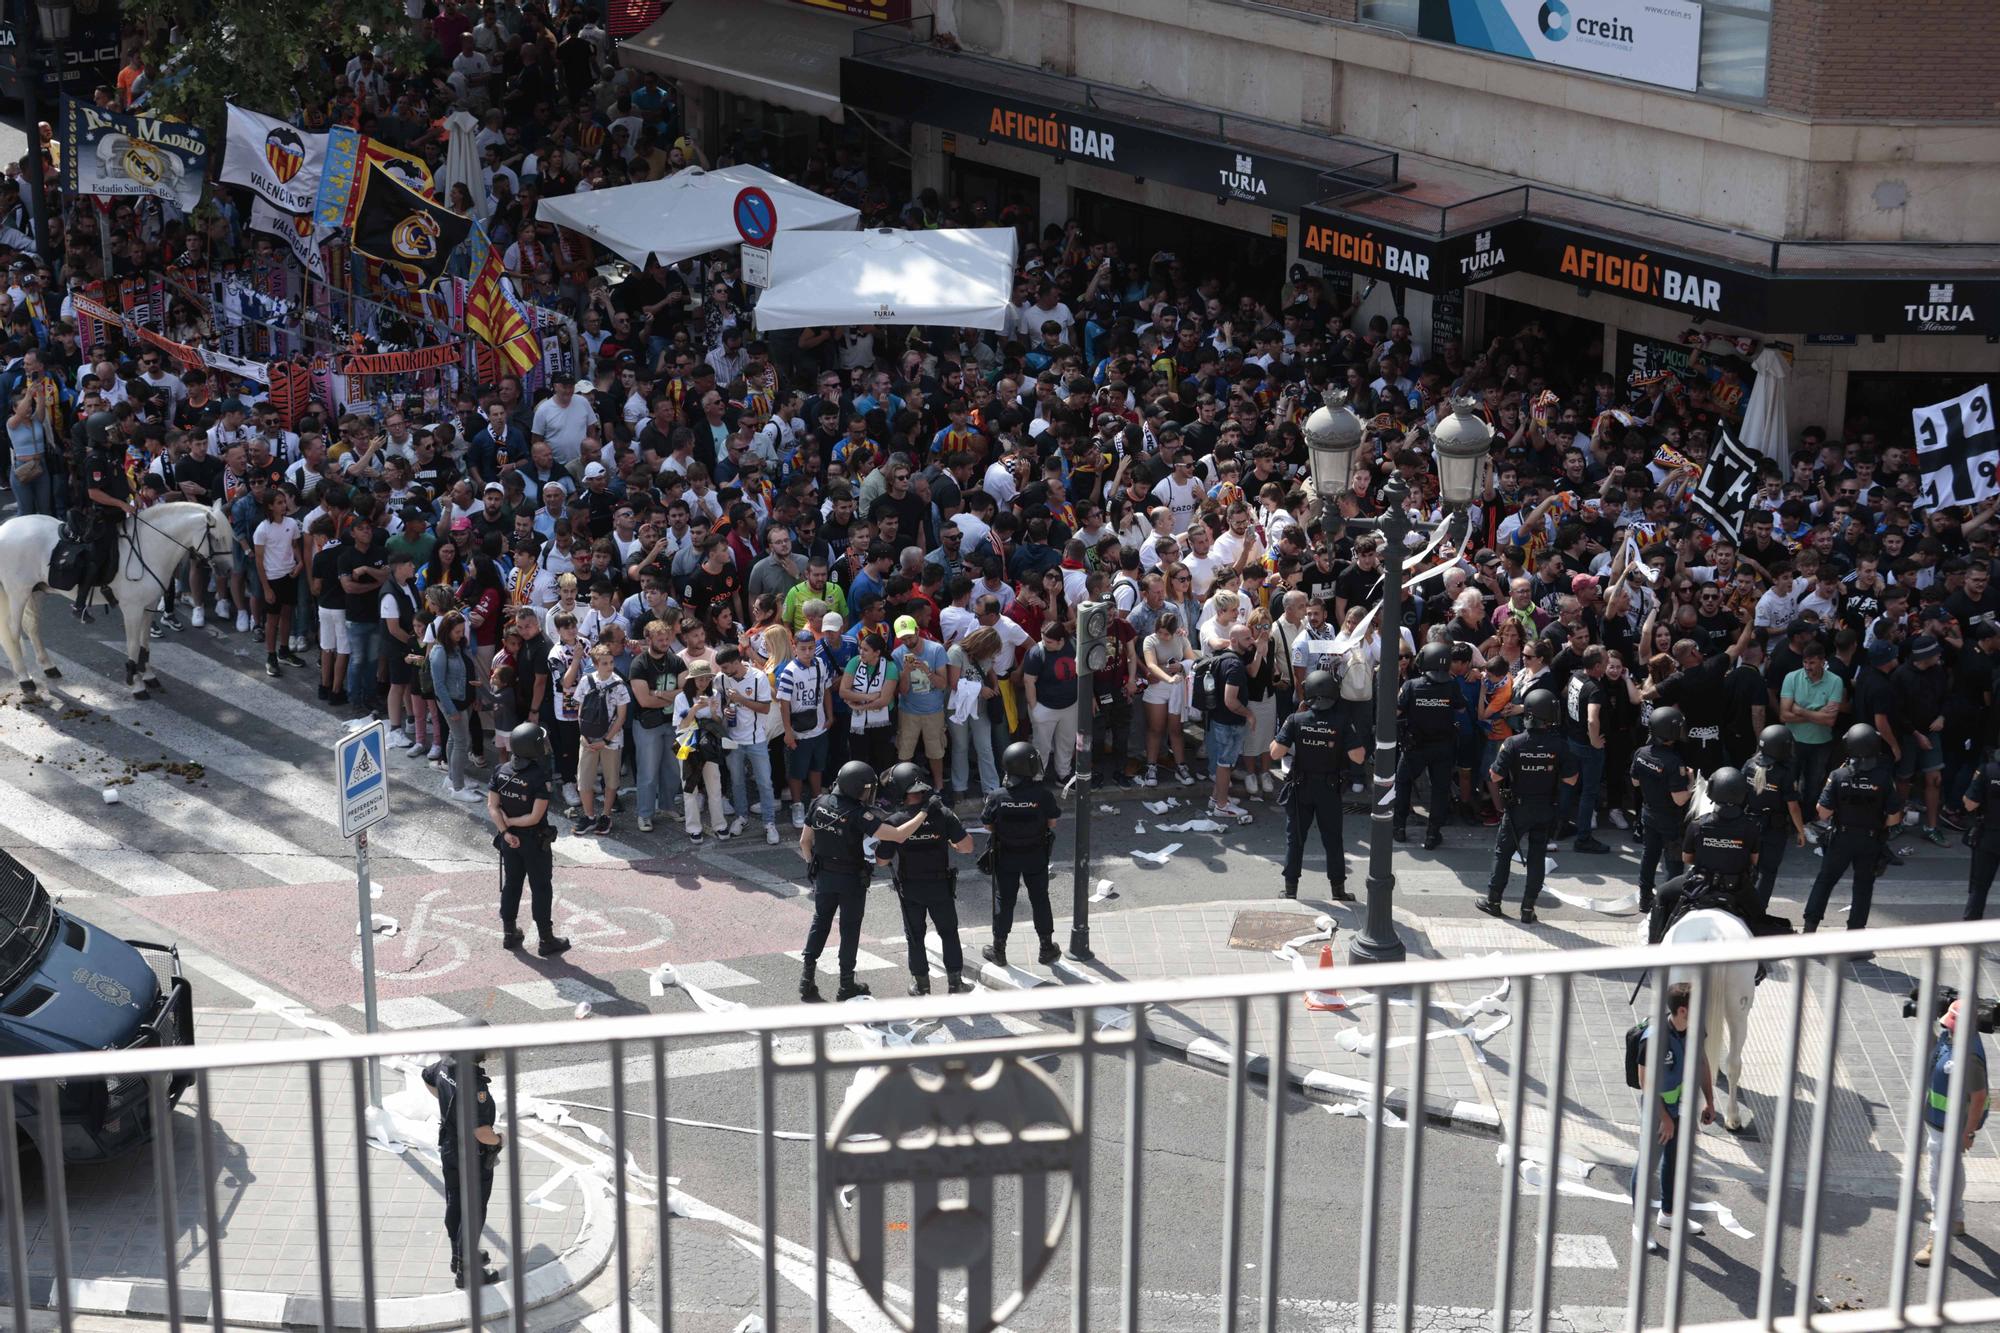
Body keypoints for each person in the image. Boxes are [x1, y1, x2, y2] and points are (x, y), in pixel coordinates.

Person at [797, 760, 929, 1002]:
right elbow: (898, 835)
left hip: (824, 877)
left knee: (820, 923)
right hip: (851, 881)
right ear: (858, 788)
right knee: (849, 930)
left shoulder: (818, 802)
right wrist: (924, 812)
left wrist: (813, 867)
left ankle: (807, 979)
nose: (869, 793)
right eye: (868, 788)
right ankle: (846, 984)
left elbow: (805, 842)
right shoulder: (859, 814)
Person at [875, 761, 974, 995]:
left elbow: (881, 861)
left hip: (911, 888)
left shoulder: (895, 821)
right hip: (940, 886)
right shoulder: (943, 814)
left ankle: (921, 985)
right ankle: (955, 982)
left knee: (915, 936)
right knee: (949, 932)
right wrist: (949, 842)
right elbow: (968, 847)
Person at [1480, 688, 1577, 921]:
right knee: (1537, 857)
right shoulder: (1560, 746)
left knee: (1503, 854)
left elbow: (1494, 776)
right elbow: (1571, 779)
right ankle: (1528, 908)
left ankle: (1493, 901)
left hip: (1517, 809)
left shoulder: (1513, 743)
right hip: (1545, 808)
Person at [1804, 723, 1901, 949]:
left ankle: (1809, 931)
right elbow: (1894, 818)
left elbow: (1823, 812)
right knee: (1863, 887)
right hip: (1870, 839)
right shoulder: (1884, 777)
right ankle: (1855, 941)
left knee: (1825, 881)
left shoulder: (1839, 775)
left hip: (1842, 838)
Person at [1636, 982, 1716, 1252]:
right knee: (1648, 1164)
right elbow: (1645, 1082)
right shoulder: (1655, 1038)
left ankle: (1668, 1215)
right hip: (1658, 1111)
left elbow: (1702, 1062)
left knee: (1676, 1159)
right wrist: (1665, 1118)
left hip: (1682, 1107)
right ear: (1683, 1010)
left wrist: (1710, 1101)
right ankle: (1639, 1225)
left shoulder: (1694, 1031)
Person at [422, 1020, 502, 1289]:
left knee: (456, 1203)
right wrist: (501, 1139)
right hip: (472, 1153)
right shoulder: (472, 1085)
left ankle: (460, 1257)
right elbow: (482, 1132)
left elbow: (427, 1077)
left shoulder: (446, 1065)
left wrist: (450, 1109)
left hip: (450, 1147)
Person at [1267, 668, 1358, 901]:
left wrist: (1294, 725)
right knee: (1333, 840)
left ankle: (1290, 891)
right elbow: (1358, 757)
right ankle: (1338, 891)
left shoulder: (1296, 720)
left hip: (1301, 788)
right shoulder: (1342, 722)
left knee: (1295, 839)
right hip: (1329, 789)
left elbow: (1276, 753)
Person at [486, 721, 571, 957]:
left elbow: (492, 807)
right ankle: (546, 939)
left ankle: (509, 932)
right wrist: (512, 825)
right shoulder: (539, 776)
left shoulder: (500, 770)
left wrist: (505, 831)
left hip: (509, 841)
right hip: (533, 842)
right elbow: (535, 817)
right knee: (541, 887)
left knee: (512, 885)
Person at [1914, 999, 1988, 1268]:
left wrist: (1967, 1133)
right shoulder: (1953, 1038)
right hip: (1939, 1122)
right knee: (1951, 1170)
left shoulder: (1968, 1057)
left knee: (1939, 1181)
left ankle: (1938, 1236)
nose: (1946, 1026)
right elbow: (1937, 1049)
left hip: (1952, 1128)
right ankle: (1955, 1219)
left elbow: (1979, 1097)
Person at [982, 741, 1063, 968]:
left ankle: (999, 950)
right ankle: (1046, 947)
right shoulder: (1043, 795)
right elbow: (1052, 822)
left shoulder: (997, 796)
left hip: (1006, 857)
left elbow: (988, 825)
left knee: (1004, 901)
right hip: (1035, 856)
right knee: (1040, 899)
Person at [1394, 641, 1461, 850]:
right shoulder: (1452, 685)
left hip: (1415, 747)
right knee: (1440, 790)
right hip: (1443, 747)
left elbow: (1395, 712)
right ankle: (1433, 834)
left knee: (1403, 783)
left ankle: (1399, 828)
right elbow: (1460, 710)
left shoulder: (1411, 686)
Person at [1631, 706, 1693, 913]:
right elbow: (1680, 800)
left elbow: (1635, 782)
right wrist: (1691, 783)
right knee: (1673, 864)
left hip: (1648, 814)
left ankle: (1645, 898)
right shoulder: (1674, 762)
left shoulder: (1641, 753)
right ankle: (1668, 905)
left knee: (1649, 856)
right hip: (1670, 820)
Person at [72, 414, 132, 621]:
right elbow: (94, 493)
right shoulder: (95, 459)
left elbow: (122, 478)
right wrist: (121, 503)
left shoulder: (114, 451)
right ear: (99, 434)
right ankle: (79, 604)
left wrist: (134, 494)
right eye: (111, 430)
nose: (116, 432)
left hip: (121, 510)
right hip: (103, 516)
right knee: (96, 559)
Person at [1743, 725, 1806, 919]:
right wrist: (1801, 831)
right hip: (1774, 829)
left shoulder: (1749, 765)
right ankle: (1758, 913)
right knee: (1767, 872)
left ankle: (1743, 908)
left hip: (1749, 824)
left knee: (1748, 869)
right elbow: (1793, 806)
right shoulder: (1784, 772)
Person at [1960, 750, 2000, 920]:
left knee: (1979, 888)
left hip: (1989, 837)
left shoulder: (1988, 771)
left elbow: (1970, 804)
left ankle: (1971, 931)